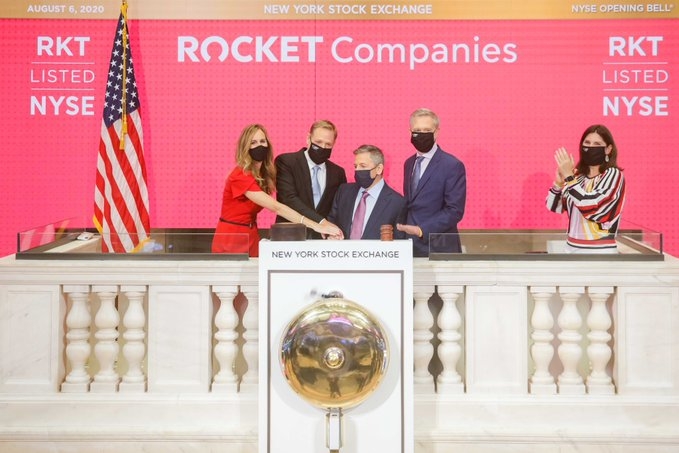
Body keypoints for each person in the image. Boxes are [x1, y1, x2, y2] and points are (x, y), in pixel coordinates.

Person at [212, 124, 341, 257]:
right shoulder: (240, 175)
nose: (259, 146)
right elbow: (277, 207)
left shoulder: (263, 175)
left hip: (251, 234)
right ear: (245, 147)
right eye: (253, 142)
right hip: (231, 237)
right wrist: (317, 225)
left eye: (262, 141)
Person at [396, 108, 466, 257]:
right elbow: (410, 204)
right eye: (417, 130)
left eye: (427, 130)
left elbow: (454, 210)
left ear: (437, 132)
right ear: (410, 132)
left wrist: (422, 229)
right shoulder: (408, 163)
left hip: (440, 246)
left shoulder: (452, 165)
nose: (421, 135)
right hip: (411, 246)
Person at [547, 124, 626, 253]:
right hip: (571, 248)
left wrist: (569, 176)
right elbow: (554, 207)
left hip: (600, 252)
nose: (590, 147)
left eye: (596, 144)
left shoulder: (613, 175)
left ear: (608, 149)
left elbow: (592, 208)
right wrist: (558, 184)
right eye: (587, 143)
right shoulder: (578, 177)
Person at [275, 120, 347, 239]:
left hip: (323, 240)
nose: (323, 147)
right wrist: (322, 222)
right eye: (318, 142)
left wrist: (333, 231)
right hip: (289, 237)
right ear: (308, 138)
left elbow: (338, 207)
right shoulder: (286, 162)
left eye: (328, 144)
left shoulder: (338, 172)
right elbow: (288, 199)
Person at [327, 144, 406, 240]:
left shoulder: (397, 202)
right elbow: (331, 222)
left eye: (363, 166)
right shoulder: (344, 192)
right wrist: (330, 235)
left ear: (379, 169)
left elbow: (400, 241)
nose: (357, 170)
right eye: (355, 166)